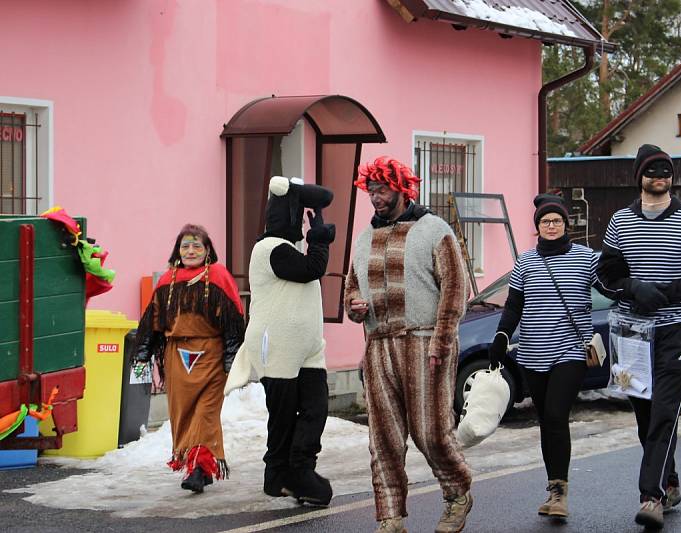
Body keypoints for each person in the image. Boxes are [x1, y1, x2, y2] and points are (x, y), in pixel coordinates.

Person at [344, 157, 472, 533]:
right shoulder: (364, 239)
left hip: (424, 343)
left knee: (430, 432)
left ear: (402, 188)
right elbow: (352, 287)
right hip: (379, 345)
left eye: (381, 190)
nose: (375, 198)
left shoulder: (435, 230)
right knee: (383, 437)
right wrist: (354, 306)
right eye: (370, 191)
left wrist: (442, 342)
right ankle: (390, 516)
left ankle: (458, 492)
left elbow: (455, 288)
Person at [597, 144, 681, 529]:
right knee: (645, 415)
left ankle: (651, 496)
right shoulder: (620, 221)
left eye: (666, 172)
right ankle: (671, 478)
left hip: (676, 328)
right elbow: (607, 274)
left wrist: (664, 293)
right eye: (653, 172)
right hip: (633, 333)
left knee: (665, 412)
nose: (660, 178)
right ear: (640, 178)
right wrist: (634, 289)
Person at [225, 176, 336, 506]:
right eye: (299, 214)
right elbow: (311, 268)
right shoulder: (268, 249)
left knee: (315, 407)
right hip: (277, 347)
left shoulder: (288, 248)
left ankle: (288, 474)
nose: (303, 222)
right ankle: (289, 475)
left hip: (307, 346)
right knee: (284, 415)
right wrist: (318, 237)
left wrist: (316, 217)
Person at [489, 193, 601, 520]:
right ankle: (553, 488)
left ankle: (561, 493)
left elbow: (611, 287)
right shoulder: (525, 262)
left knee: (555, 415)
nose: (551, 226)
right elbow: (513, 306)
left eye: (556, 221)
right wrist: (501, 336)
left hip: (571, 350)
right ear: (537, 227)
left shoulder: (586, 258)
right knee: (545, 421)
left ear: (566, 224)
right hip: (532, 352)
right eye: (545, 222)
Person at [134, 224, 245, 493]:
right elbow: (153, 323)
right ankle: (201, 466)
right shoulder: (167, 281)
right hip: (176, 358)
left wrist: (232, 359)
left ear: (207, 251)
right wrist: (142, 354)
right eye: (185, 246)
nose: (191, 250)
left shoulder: (218, 276)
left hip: (212, 356)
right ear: (178, 250)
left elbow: (233, 321)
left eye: (197, 246)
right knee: (183, 415)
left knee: (205, 415)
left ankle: (197, 469)